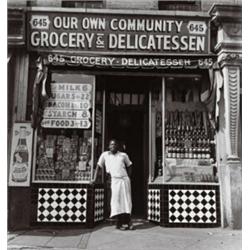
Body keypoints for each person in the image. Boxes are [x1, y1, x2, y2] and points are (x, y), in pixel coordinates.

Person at [92, 139, 134, 230]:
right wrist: (94, 179)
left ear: (117, 146)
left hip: (124, 180)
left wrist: (128, 177)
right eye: (111, 144)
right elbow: (98, 167)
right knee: (116, 202)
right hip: (114, 181)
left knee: (127, 201)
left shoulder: (123, 155)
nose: (113, 146)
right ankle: (118, 223)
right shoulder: (105, 155)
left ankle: (128, 222)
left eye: (114, 144)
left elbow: (129, 165)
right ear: (108, 146)